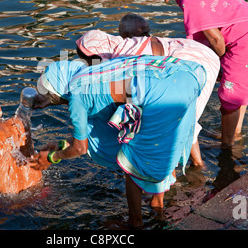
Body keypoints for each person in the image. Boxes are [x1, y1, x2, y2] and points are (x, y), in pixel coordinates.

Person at [30, 55, 206, 227]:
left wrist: (52, 157)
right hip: (185, 75)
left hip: (163, 92)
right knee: (164, 144)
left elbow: (81, 148)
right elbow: (102, 131)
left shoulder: (77, 94)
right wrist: (62, 145)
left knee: (132, 160)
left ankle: (135, 222)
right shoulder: (95, 72)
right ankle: (157, 204)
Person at [146, 0, 248, 146]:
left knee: (229, 97)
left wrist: (217, 63)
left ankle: (227, 146)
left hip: (247, 40)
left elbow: (216, 39)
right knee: (239, 90)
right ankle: (235, 133)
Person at [76, 14, 220, 167]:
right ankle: (188, 164)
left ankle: (194, 166)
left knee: (182, 118)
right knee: (177, 116)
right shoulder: (122, 45)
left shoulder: (126, 56)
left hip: (196, 62)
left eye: (90, 62)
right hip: (194, 51)